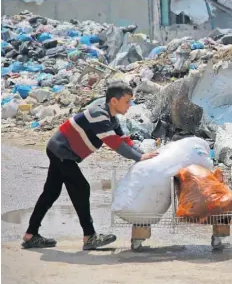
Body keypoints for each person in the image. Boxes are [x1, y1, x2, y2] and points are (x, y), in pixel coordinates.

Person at [22, 82, 159, 250]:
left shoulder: (111, 117)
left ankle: (31, 234)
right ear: (114, 101)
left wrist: (143, 154)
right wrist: (140, 157)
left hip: (59, 150)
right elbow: (115, 144)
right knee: (81, 188)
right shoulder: (99, 115)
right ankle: (89, 236)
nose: (130, 105)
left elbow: (124, 139)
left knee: (51, 192)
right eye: (127, 101)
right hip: (62, 152)